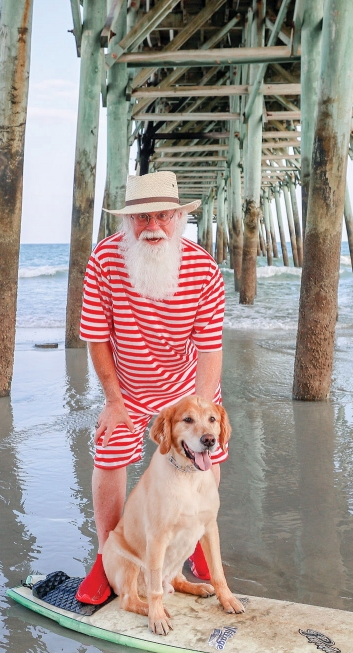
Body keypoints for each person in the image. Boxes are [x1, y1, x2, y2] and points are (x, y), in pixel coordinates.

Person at [75, 171, 228, 604]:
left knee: (206, 452)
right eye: (142, 218)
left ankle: (195, 538)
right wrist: (112, 400)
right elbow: (96, 336)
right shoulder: (105, 261)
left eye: (162, 216)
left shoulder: (204, 270)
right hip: (126, 388)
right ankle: (107, 556)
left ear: (178, 218)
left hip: (187, 388)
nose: (152, 227)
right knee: (108, 451)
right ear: (128, 222)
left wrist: (198, 414)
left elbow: (210, 349)